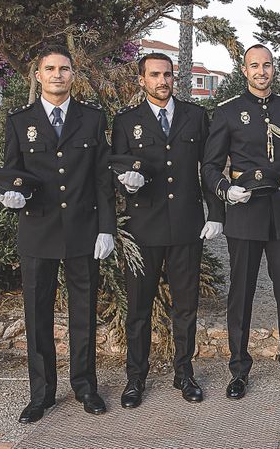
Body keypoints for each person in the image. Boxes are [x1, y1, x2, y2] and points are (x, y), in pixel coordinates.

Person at [0, 45, 116, 422]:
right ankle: (42, 394)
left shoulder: (92, 119)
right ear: (38, 75)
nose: (57, 75)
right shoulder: (20, 121)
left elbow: (102, 179)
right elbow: (12, 173)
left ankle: (85, 387)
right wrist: (11, 195)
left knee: (83, 313)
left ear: (72, 75)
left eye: (64, 69)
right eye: (49, 69)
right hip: (37, 230)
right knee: (37, 315)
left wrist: (106, 228)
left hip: (83, 231)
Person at [112, 53, 225, 407]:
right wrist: (125, 186)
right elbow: (114, 169)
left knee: (186, 306)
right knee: (138, 309)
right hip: (142, 229)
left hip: (185, 226)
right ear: (141, 80)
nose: (162, 81)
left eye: (168, 75)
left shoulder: (195, 116)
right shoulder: (126, 121)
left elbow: (209, 168)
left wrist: (216, 212)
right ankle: (135, 379)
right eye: (155, 75)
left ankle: (184, 372)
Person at [202, 44, 280, 399]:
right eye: (254, 66)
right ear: (244, 69)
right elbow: (209, 164)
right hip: (245, 211)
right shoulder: (228, 112)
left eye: (266, 65)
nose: (261, 71)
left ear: (273, 69)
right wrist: (224, 191)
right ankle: (238, 370)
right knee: (241, 294)